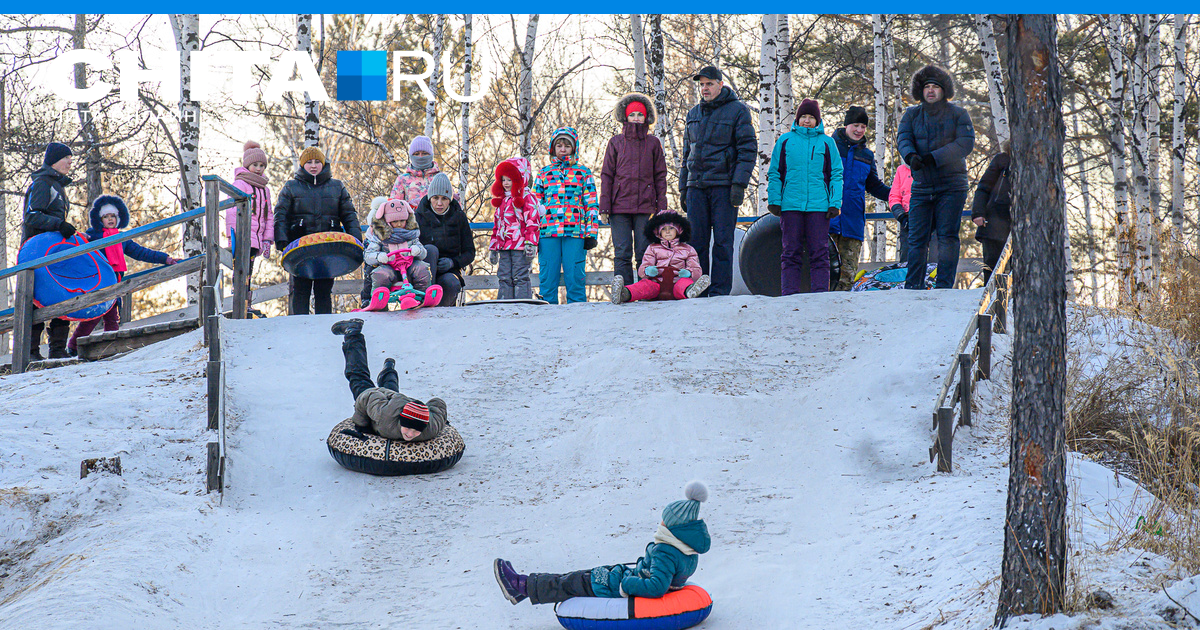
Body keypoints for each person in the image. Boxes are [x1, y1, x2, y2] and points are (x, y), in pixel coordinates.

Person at [494, 481, 710, 605]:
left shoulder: (667, 551)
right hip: (625, 576)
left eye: (665, 519)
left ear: (674, 525)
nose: (661, 521)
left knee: (572, 583)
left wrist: (627, 584)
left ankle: (520, 585)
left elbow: (656, 587)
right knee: (579, 576)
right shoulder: (687, 550)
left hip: (618, 587)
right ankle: (524, 589)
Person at [679, 66, 756, 297]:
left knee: (723, 241)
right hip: (696, 187)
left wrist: (739, 184)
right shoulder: (693, 114)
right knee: (696, 242)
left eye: (709, 84)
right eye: (701, 84)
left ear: (720, 84)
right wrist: (684, 187)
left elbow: (747, 149)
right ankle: (699, 290)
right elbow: (686, 155)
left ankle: (721, 291)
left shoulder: (738, 111)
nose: (705, 88)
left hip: (724, 186)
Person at [68, 195, 179, 355]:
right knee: (94, 315)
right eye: (106, 217)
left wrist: (165, 258)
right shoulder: (93, 236)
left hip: (115, 282)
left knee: (112, 316)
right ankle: (73, 347)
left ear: (118, 218)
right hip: (98, 283)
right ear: (100, 220)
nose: (110, 219)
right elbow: (77, 245)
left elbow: (141, 252)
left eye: (113, 216)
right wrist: (81, 237)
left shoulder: (122, 239)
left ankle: (109, 347)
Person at [897, 65, 975, 290]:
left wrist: (934, 157)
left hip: (951, 185)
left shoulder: (958, 113)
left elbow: (965, 143)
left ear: (944, 90)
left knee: (947, 236)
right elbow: (904, 138)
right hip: (921, 184)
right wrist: (910, 156)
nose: (930, 91)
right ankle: (913, 286)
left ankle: (943, 287)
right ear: (920, 90)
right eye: (927, 87)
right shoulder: (911, 114)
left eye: (936, 87)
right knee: (916, 237)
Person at [766, 99, 843, 295]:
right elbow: (775, 172)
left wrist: (834, 203)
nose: (807, 121)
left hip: (819, 206)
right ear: (797, 119)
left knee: (820, 252)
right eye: (803, 117)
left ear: (817, 121)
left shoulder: (827, 143)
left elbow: (836, 173)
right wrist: (775, 200)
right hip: (791, 205)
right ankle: (789, 295)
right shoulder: (785, 141)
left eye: (811, 117)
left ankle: (820, 295)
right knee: (791, 252)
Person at [273, 146, 362, 315]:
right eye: (309, 162)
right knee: (300, 289)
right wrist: (282, 240)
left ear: (323, 164)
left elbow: (349, 214)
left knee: (324, 289)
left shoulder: (337, 187)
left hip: (329, 246)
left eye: (316, 162)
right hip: (300, 247)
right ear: (302, 165)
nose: (313, 166)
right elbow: (281, 214)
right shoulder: (291, 187)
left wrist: (356, 238)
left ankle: (324, 326)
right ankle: (299, 325)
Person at [330, 318, 447, 442]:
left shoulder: (430, 429)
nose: (410, 434)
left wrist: (442, 419)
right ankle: (352, 332)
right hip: (374, 399)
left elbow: (438, 404)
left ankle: (388, 370)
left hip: (396, 401)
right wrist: (362, 424)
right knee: (358, 376)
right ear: (402, 420)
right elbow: (367, 396)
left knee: (391, 391)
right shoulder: (384, 416)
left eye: (416, 430)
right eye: (407, 427)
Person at [600, 92, 668, 286]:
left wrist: (661, 207)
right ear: (626, 117)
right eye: (633, 114)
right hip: (618, 207)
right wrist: (604, 207)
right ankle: (623, 291)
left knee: (644, 252)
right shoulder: (615, 143)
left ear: (646, 117)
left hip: (645, 207)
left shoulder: (653, 143)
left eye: (640, 114)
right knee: (622, 253)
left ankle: (646, 289)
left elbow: (660, 176)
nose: (636, 118)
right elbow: (607, 176)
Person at [532, 127, 599, 304]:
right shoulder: (543, 173)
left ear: (574, 148)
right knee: (547, 279)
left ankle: (577, 319)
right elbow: (533, 207)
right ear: (553, 148)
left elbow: (591, 204)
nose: (563, 149)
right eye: (559, 145)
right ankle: (547, 319)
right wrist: (532, 235)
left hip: (575, 233)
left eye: (567, 146)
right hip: (547, 233)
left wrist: (591, 233)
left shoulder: (584, 173)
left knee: (575, 277)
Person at [22, 142, 76, 360]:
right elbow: (32, 216)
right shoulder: (44, 183)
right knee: (37, 299)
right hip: (37, 251)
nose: (70, 163)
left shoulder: (57, 185)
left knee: (62, 293)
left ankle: (57, 349)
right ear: (54, 160)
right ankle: (31, 352)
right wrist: (59, 225)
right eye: (67, 158)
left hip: (53, 250)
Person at [828, 106, 890, 291]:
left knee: (846, 277)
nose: (859, 130)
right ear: (846, 125)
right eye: (856, 125)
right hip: (827, 221)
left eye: (863, 126)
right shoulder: (828, 147)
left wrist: (896, 195)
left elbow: (874, 185)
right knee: (823, 272)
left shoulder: (867, 155)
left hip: (852, 223)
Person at [610, 212, 710, 304]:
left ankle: (691, 290)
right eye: (663, 229)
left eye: (671, 228)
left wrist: (689, 273)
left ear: (679, 230)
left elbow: (696, 269)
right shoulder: (652, 248)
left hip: (677, 282)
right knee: (644, 286)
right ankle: (624, 293)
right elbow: (643, 267)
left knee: (684, 284)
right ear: (658, 232)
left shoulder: (688, 249)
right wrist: (647, 271)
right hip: (657, 284)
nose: (667, 232)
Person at [359, 199, 436, 311]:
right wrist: (379, 256)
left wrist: (417, 250)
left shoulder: (411, 235)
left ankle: (423, 295)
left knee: (422, 267)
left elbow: (423, 252)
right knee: (381, 273)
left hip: (409, 267)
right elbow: (368, 255)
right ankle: (378, 300)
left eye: (402, 221)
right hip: (389, 267)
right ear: (388, 221)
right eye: (395, 221)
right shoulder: (380, 236)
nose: (399, 224)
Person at [227, 140, 274, 317]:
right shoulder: (241, 183)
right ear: (247, 165)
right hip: (244, 235)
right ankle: (239, 302)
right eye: (255, 165)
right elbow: (233, 212)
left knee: (249, 271)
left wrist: (268, 238)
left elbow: (269, 214)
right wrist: (234, 237)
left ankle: (246, 302)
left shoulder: (264, 188)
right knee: (241, 270)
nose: (259, 168)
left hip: (258, 237)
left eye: (262, 165)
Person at [415, 173, 475, 306]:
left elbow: (470, 252)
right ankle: (422, 304)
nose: (439, 203)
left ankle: (443, 315)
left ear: (450, 199)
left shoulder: (459, 217)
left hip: (448, 271)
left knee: (451, 282)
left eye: (444, 198)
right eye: (436, 198)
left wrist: (453, 263)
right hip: (422, 272)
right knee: (430, 250)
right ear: (430, 198)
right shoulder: (418, 217)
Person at [488, 157, 541, 300]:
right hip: (504, 246)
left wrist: (531, 244)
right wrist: (493, 248)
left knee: (520, 275)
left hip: (520, 246)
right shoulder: (501, 200)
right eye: (503, 179)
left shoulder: (527, 197)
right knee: (504, 275)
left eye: (509, 180)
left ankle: (522, 302)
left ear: (519, 179)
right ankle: (505, 302)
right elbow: (496, 226)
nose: (506, 183)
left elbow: (532, 222)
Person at [971, 144, 1012, 284]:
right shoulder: (1002, 160)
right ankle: (991, 300)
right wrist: (978, 213)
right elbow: (983, 188)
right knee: (991, 266)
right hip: (994, 220)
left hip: (1021, 224)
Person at [389, 135, 456, 206]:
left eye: (424, 153)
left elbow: (453, 207)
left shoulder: (441, 179)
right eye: (416, 154)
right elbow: (393, 208)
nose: (420, 157)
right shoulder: (402, 180)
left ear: (431, 155)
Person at [888, 163, 913, 264]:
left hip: (932, 219)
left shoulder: (933, 166)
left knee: (934, 260)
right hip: (908, 220)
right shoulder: (901, 170)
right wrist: (902, 217)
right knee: (907, 260)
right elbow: (894, 197)